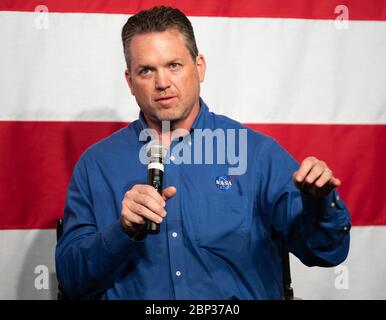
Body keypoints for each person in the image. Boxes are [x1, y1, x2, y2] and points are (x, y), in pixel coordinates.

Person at [55, 6, 351, 300]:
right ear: (130, 81)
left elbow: (326, 252)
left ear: (199, 68)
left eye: (174, 65)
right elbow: (72, 281)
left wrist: (319, 204)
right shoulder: (96, 166)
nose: (162, 83)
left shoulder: (255, 154)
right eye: (146, 70)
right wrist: (124, 231)